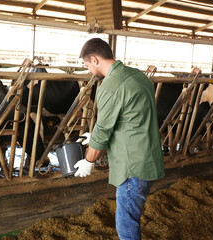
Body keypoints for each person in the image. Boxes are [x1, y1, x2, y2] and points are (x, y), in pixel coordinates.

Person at [74, 38, 165, 240]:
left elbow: (103, 130)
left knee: (126, 225)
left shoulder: (110, 85)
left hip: (132, 166)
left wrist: (89, 161)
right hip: (148, 159)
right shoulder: (138, 76)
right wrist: (96, 135)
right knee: (130, 218)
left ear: (95, 59)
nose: (88, 70)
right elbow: (132, 118)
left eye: (87, 65)